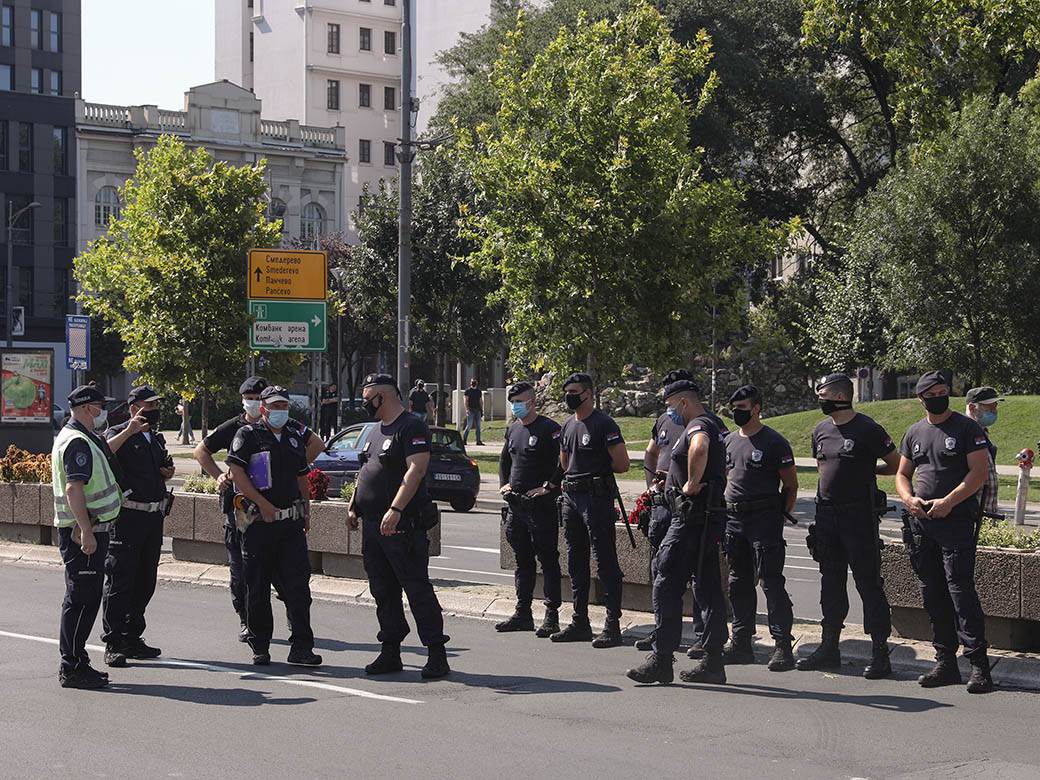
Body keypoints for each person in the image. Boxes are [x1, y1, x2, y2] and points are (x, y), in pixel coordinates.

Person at [195, 376, 324, 641]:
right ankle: (249, 625)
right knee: (245, 576)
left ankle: (295, 629)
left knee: (291, 579)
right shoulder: (238, 428)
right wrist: (219, 475)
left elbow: (316, 446)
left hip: (283, 517)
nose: (254, 404)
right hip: (244, 513)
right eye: (250, 399)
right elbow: (201, 451)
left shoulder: (290, 428)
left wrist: (287, 470)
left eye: (258, 399)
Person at [347, 373, 451, 679]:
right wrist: (354, 504)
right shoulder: (374, 430)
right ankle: (390, 651)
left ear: (385, 396)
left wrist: (395, 509)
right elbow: (365, 470)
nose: (365, 403)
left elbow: (416, 470)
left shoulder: (412, 426)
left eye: (368, 398)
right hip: (372, 525)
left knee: (416, 589)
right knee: (383, 591)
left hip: (401, 525)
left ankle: (436, 653)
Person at [896, 371, 993, 693]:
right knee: (932, 592)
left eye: (943, 390)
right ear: (920, 398)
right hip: (923, 525)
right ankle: (945, 662)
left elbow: (978, 473)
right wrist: (909, 499)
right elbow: (902, 473)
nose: (940, 395)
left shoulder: (967, 428)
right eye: (932, 392)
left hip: (955, 521)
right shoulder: (914, 432)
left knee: (961, 592)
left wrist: (949, 502)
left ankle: (978, 665)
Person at [627, 379, 729, 684]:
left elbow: (699, 447)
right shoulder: (710, 422)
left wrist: (690, 483)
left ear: (683, 402)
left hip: (689, 519)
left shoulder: (698, 424)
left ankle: (661, 658)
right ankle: (713, 661)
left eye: (670, 406)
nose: (669, 413)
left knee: (665, 581)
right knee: (708, 588)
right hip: (707, 520)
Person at [798, 373, 899, 679]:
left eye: (823, 393)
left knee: (868, 584)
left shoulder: (867, 428)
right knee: (830, 582)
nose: (819, 398)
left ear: (840, 397)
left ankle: (880, 653)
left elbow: (895, 464)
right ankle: (830, 648)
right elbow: (822, 468)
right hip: (828, 516)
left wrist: (868, 468)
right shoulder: (821, 430)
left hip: (858, 516)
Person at [226, 386, 321, 667]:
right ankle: (260, 646)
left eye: (284, 406)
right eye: (275, 406)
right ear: (264, 409)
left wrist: (306, 510)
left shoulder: (293, 437)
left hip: (290, 525)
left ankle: (301, 647)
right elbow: (237, 473)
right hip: (258, 524)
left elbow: (302, 476)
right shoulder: (248, 435)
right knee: (257, 588)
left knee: (298, 588)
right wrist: (262, 503)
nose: (280, 411)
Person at [722, 385, 798, 672]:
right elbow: (729, 478)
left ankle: (782, 646)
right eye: (734, 408)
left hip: (764, 520)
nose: (737, 412)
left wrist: (779, 515)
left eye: (742, 407)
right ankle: (741, 643)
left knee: (771, 581)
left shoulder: (774, 442)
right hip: (734, 521)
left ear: (756, 408)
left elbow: (790, 485)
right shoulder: (729, 441)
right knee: (738, 583)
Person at [551, 372, 630, 648]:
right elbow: (564, 462)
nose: (569, 396)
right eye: (566, 391)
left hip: (595, 498)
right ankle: (579, 621)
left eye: (573, 391)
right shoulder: (568, 426)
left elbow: (622, 464)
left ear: (588, 394)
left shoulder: (603, 423)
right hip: (572, 497)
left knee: (605, 560)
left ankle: (612, 625)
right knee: (575, 561)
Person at [51, 385, 122, 689]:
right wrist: (88, 531)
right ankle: (72, 666)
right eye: (98, 407)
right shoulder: (77, 441)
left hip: (85, 530)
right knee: (81, 600)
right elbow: (73, 489)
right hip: (82, 534)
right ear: (85, 408)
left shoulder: (80, 437)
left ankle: (77, 661)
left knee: (84, 598)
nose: (101, 412)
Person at [100, 385, 175, 668]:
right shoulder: (117, 432)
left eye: (157, 406)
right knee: (120, 581)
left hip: (153, 517)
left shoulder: (154, 438)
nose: (155, 411)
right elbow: (104, 454)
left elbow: (159, 468)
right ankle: (114, 641)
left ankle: (133, 636)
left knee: (145, 581)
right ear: (134, 408)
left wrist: (166, 472)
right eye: (150, 406)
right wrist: (128, 431)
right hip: (127, 518)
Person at [495, 381, 563, 636]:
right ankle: (523, 613)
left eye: (520, 401)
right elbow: (505, 459)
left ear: (532, 402)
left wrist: (549, 486)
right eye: (513, 401)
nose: (516, 405)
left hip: (540, 507)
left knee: (548, 560)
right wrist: (504, 485)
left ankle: (551, 616)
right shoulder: (513, 429)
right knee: (522, 561)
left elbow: (563, 461)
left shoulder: (549, 428)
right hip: (516, 506)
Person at [965, 386, 1002, 516]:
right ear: (971, 408)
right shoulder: (965, 433)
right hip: (973, 514)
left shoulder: (982, 432)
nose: (994, 411)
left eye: (995, 406)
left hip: (986, 513)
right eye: (988, 407)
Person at [462, 379, 484, 445]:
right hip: (470, 410)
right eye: (472, 383)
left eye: (474, 383)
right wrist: (467, 409)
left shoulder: (479, 391)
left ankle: (478, 441)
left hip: (477, 410)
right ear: (470, 383)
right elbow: (466, 401)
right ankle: (464, 440)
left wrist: (481, 409)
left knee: (478, 426)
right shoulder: (467, 391)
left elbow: (480, 401)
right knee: (469, 425)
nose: (473, 384)